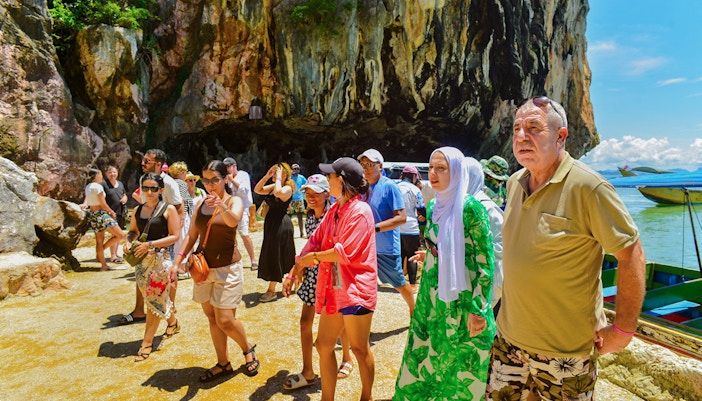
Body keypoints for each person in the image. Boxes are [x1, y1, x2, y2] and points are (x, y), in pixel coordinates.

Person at [485, 96, 646, 400]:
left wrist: (623, 329)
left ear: (560, 137)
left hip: (564, 354)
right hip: (508, 341)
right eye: (517, 128)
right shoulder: (514, 182)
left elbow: (632, 254)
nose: (521, 136)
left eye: (534, 128)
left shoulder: (590, 187)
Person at [394, 147, 495, 400]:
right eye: (431, 168)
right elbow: (441, 246)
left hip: (463, 298)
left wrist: (479, 308)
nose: (434, 173)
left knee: (461, 363)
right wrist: (429, 255)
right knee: (427, 355)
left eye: (442, 168)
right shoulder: (433, 205)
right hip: (432, 293)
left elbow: (485, 261)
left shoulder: (471, 208)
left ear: (457, 171)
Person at [284, 157, 377, 401]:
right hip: (335, 289)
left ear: (342, 181)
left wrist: (310, 259)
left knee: (358, 348)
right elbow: (315, 239)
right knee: (324, 345)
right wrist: (295, 269)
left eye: (330, 177)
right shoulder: (335, 210)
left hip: (355, 289)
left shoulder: (360, 211)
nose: (327, 180)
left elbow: (342, 253)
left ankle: (366, 397)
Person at [171, 160, 260, 380]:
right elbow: (192, 236)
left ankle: (248, 349)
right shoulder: (201, 203)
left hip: (228, 269)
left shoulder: (234, 201)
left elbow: (233, 221)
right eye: (206, 180)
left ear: (225, 179)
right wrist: (177, 261)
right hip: (203, 268)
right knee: (212, 318)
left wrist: (221, 205)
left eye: (215, 180)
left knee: (226, 320)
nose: (210, 184)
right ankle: (223, 363)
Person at [119, 149, 183, 325]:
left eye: (147, 161)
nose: (143, 163)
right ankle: (140, 310)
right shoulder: (144, 180)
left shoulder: (169, 183)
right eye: (143, 160)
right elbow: (143, 206)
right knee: (142, 273)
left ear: (157, 164)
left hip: (166, 234)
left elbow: (179, 206)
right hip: (147, 232)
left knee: (169, 273)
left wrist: (176, 230)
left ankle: (170, 306)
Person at [280, 174, 331, 390]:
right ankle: (308, 370)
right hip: (312, 274)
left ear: (327, 194)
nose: (310, 197)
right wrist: (295, 271)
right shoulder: (311, 217)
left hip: (331, 276)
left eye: (315, 193)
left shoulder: (334, 216)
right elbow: (310, 247)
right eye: (307, 193)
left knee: (340, 324)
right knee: (305, 323)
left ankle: (346, 358)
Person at [123, 173, 181, 361]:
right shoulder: (138, 210)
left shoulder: (168, 209)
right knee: (157, 300)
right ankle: (172, 322)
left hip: (160, 263)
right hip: (142, 264)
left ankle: (146, 343)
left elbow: (175, 235)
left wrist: (150, 245)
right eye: (145, 188)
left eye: (153, 188)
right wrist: (128, 241)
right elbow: (132, 232)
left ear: (161, 190)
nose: (149, 192)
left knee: (154, 302)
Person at [357, 149, 414, 316]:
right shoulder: (361, 187)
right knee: (364, 283)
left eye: (370, 164)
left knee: (399, 283)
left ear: (380, 166)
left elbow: (402, 218)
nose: (366, 168)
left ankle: (413, 309)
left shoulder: (390, 187)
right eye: (363, 164)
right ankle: (361, 322)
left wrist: (374, 228)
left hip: (386, 248)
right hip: (365, 247)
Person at [465, 156, 504, 314]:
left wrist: (485, 303)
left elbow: (498, 257)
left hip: (484, 291)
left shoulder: (484, 207)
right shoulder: (498, 193)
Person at [253, 162, 296, 302]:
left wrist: (278, 178)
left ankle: (271, 290)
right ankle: (295, 278)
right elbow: (257, 189)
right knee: (273, 252)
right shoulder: (274, 186)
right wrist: (267, 176)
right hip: (271, 224)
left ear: (284, 175)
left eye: (278, 172)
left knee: (276, 254)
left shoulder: (287, 188)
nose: (275, 174)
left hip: (281, 224)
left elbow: (278, 193)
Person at [81, 168, 125, 271]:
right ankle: (102, 251)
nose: (101, 176)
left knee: (99, 241)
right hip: (101, 214)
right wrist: (111, 211)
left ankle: (103, 265)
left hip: (93, 214)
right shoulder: (98, 187)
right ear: (96, 176)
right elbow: (102, 203)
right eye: (100, 174)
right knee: (120, 235)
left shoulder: (88, 186)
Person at [223, 157, 258, 270]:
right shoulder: (224, 178)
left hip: (242, 209)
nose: (227, 169)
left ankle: (253, 260)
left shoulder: (243, 175)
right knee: (230, 235)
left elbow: (244, 191)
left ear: (234, 166)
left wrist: (232, 180)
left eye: (228, 167)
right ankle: (234, 259)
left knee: (244, 234)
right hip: (230, 209)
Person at [397, 165, 425, 293]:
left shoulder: (394, 187)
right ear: (414, 177)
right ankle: (413, 285)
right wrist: (423, 217)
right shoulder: (415, 190)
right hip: (411, 227)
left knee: (399, 255)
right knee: (412, 256)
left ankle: (398, 283)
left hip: (395, 226)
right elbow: (421, 209)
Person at [168, 161, 194, 281]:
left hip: (174, 215)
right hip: (182, 215)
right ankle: (182, 269)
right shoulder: (181, 184)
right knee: (183, 240)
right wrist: (183, 217)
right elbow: (182, 201)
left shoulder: (171, 183)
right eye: (184, 172)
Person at [101, 165, 128, 263]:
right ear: (106, 174)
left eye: (114, 172)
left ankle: (115, 254)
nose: (112, 174)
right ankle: (112, 255)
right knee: (116, 234)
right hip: (110, 213)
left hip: (120, 213)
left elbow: (124, 194)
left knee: (118, 234)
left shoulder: (120, 184)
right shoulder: (103, 184)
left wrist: (125, 198)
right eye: (110, 172)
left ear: (117, 173)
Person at [288, 163, 308, 238]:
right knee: (288, 217)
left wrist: (304, 191)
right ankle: (289, 233)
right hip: (290, 199)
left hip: (299, 199)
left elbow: (306, 184)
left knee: (300, 217)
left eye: (297, 169)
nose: (296, 170)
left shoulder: (301, 177)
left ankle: (301, 233)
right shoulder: (289, 178)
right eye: (294, 169)